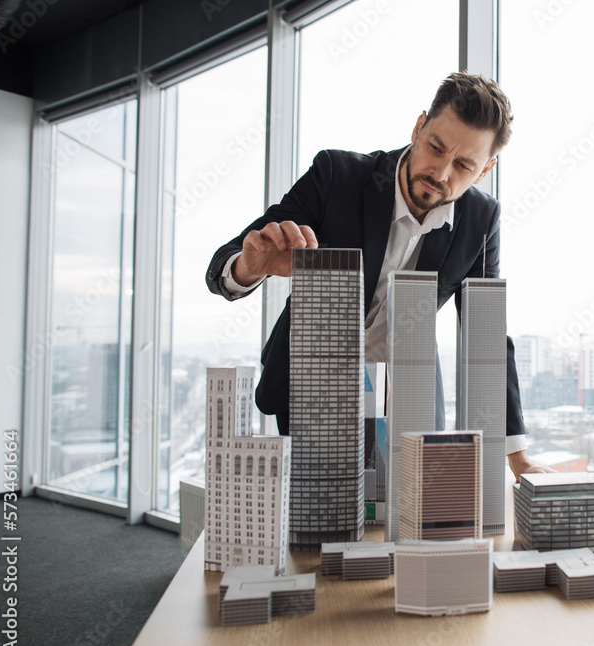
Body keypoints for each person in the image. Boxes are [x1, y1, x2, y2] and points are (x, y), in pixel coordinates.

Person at [206, 72, 553, 481]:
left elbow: (486, 337)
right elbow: (226, 262)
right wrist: (249, 267)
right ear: (419, 126)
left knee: (405, 524)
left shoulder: (481, 219)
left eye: (462, 165)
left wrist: (519, 458)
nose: (440, 174)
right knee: (319, 522)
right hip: (312, 387)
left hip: (409, 398)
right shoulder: (336, 175)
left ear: (484, 170)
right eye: (435, 147)